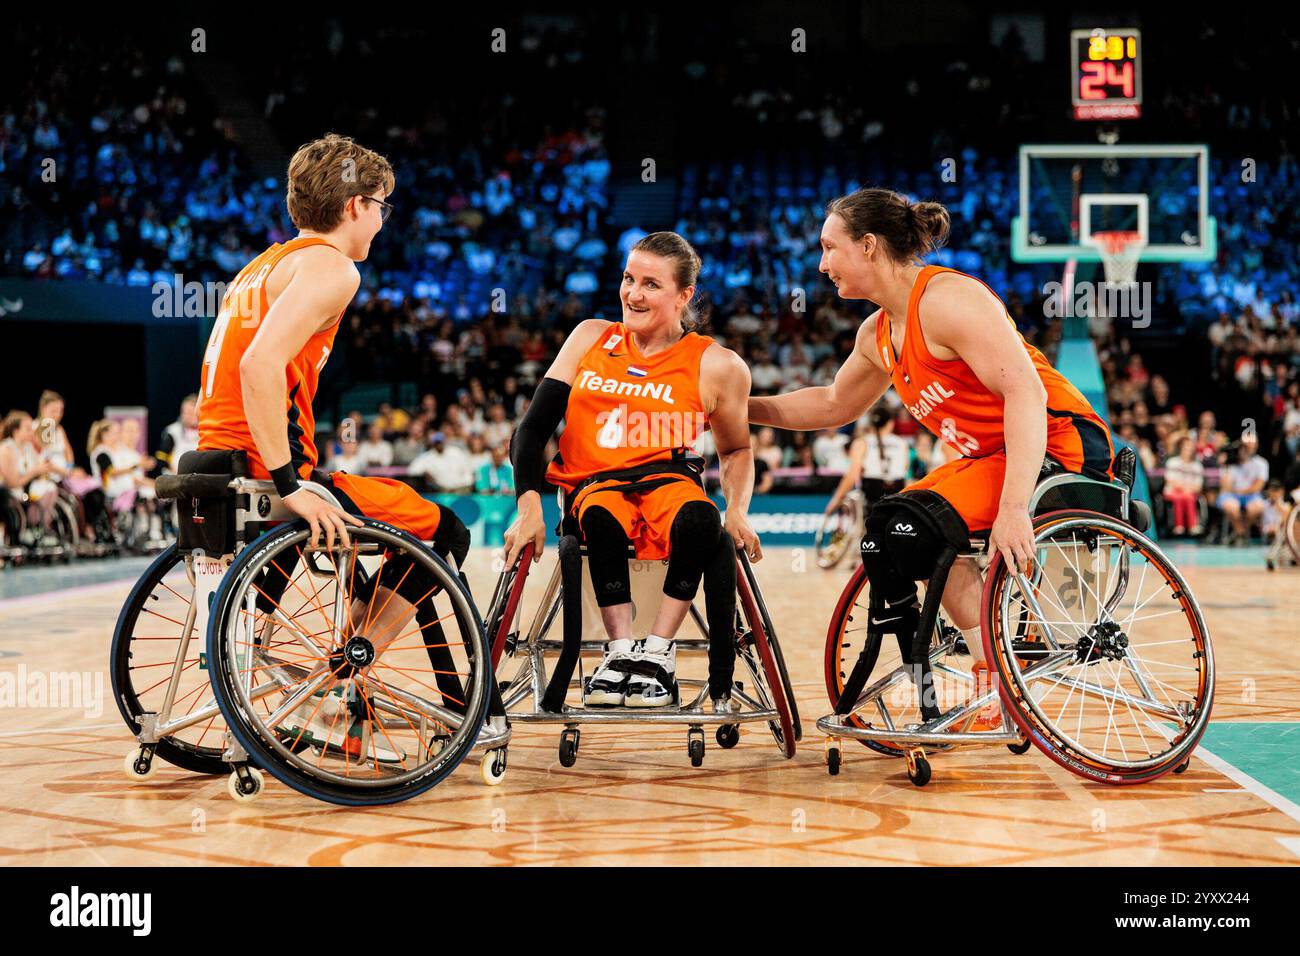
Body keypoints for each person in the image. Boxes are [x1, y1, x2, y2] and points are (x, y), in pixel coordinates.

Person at [749, 188, 1115, 732]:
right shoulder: (877, 333)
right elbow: (833, 403)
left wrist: (1015, 507)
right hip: (994, 457)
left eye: (830, 247)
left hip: (1061, 446)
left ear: (869, 246)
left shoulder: (946, 300)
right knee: (886, 529)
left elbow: (1026, 395)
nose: (821, 264)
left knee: (904, 525)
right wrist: (737, 409)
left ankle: (992, 674)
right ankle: (976, 674)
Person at [194, 133, 471, 758]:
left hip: (220, 459)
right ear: (354, 205)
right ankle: (343, 688)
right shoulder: (330, 266)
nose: (382, 219)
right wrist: (292, 486)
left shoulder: (264, 263)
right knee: (448, 531)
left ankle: (288, 655)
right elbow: (259, 367)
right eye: (381, 205)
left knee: (353, 515)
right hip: (264, 471)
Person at [504, 231, 760, 709]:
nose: (633, 294)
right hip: (594, 485)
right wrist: (527, 505)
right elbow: (532, 429)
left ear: (684, 295)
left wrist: (739, 511)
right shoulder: (589, 337)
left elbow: (737, 451)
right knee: (600, 520)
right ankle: (617, 652)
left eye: (650, 284)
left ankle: (658, 654)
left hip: (668, 481)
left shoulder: (718, 365)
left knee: (702, 520)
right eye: (628, 279)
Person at [0, 410, 59, 546]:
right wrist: (35, 471)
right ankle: (29, 527)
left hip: (26, 490)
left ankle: (41, 526)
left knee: (50, 488)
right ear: (16, 431)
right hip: (10, 493)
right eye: (27, 428)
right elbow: (13, 483)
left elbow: (38, 469)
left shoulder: (27, 448)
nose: (32, 431)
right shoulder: (5, 450)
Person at [1217, 434, 1268, 545]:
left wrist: (1241, 492)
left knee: (1257, 507)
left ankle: (1238, 533)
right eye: (1241, 448)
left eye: (1246, 448)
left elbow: (1258, 485)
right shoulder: (1229, 464)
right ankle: (1241, 534)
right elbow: (1226, 487)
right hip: (1231, 495)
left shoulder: (1261, 463)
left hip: (1251, 495)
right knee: (1232, 507)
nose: (1243, 451)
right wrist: (1224, 465)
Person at [1162, 436, 1204, 537]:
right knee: (1181, 497)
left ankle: (1188, 527)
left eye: (1190, 447)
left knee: (1187, 497)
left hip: (1190, 492)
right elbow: (1169, 480)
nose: (1187, 450)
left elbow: (1198, 486)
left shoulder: (1197, 466)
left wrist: (1187, 489)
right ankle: (1182, 526)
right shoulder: (1172, 462)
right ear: (1180, 448)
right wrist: (1183, 488)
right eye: (1185, 447)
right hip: (1173, 491)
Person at [155, 394, 200, 475]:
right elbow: (161, 457)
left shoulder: (205, 432)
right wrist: (173, 470)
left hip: (198, 478)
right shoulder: (172, 431)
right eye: (184, 412)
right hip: (174, 477)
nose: (187, 416)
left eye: (191, 412)